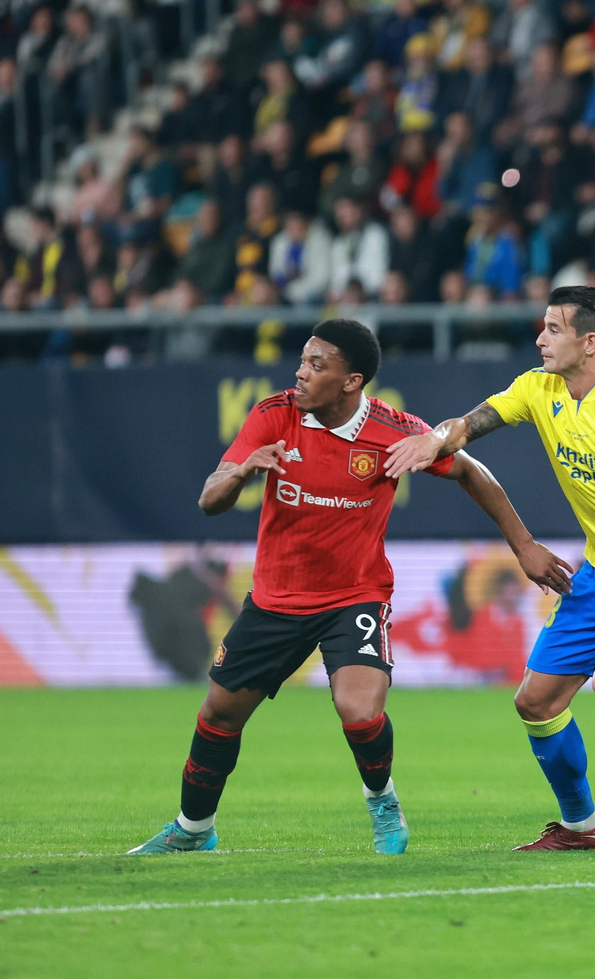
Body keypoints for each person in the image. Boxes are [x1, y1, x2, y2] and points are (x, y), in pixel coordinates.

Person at [129, 321, 571, 855]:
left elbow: (472, 471)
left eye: (317, 366)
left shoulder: (393, 431)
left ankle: (382, 800)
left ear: (351, 381)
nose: (300, 372)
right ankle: (193, 829)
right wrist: (244, 470)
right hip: (275, 599)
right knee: (218, 714)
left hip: (353, 596)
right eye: (302, 361)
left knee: (359, 710)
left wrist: (523, 546)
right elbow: (209, 499)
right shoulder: (275, 415)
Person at [383, 288, 595, 853]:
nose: (540, 338)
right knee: (535, 702)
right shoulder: (537, 389)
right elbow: (467, 426)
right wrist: (435, 439)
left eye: (554, 329)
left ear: (590, 343)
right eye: (542, 327)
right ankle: (579, 827)